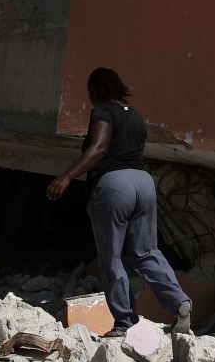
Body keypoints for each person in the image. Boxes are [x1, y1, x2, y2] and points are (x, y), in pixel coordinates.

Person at [48, 67, 192, 337]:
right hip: (143, 182)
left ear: (97, 91)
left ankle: (125, 321)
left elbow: (100, 148)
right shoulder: (135, 116)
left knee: (112, 258)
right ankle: (179, 302)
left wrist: (67, 176)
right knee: (146, 252)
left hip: (115, 186)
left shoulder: (102, 112)